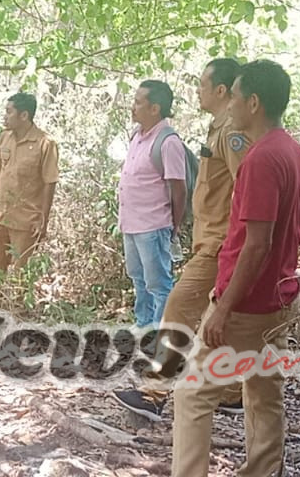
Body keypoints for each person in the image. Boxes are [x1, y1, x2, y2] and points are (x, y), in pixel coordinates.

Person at [170, 59, 300, 477]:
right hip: (281, 296)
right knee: (264, 392)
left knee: (193, 392)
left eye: (233, 95)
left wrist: (224, 306)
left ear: (253, 102)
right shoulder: (293, 151)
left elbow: (257, 244)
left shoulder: (261, 160)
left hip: (249, 303)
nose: (228, 103)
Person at [113, 59, 251, 419]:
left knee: (175, 308)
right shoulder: (216, 129)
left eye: (203, 85)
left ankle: (154, 394)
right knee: (217, 319)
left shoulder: (231, 135)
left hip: (220, 243)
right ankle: (233, 393)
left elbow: (247, 191)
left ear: (221, 90)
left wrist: (237, 243)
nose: (197, 91)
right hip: (211, 241)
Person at [117, 80, 187, 328]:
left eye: (138, 102)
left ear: (155, 108)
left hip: (154, 225)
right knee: (138, 278)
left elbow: (179, 190)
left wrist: (173, 227)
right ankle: (143, 324)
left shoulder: (168, 142)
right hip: (131, 223)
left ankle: (161, 333)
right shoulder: (137, 136)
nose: (132, 107)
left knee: (159, 283)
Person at [0, 92, 59, 297]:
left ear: (24, 116)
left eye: (9, 112)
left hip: (26, 221)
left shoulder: (45, 144)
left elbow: (49, 183)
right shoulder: (4, 138)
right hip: (0, 216)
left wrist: (43, 219)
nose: (4, 116)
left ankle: (16, 314)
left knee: (20, 275)